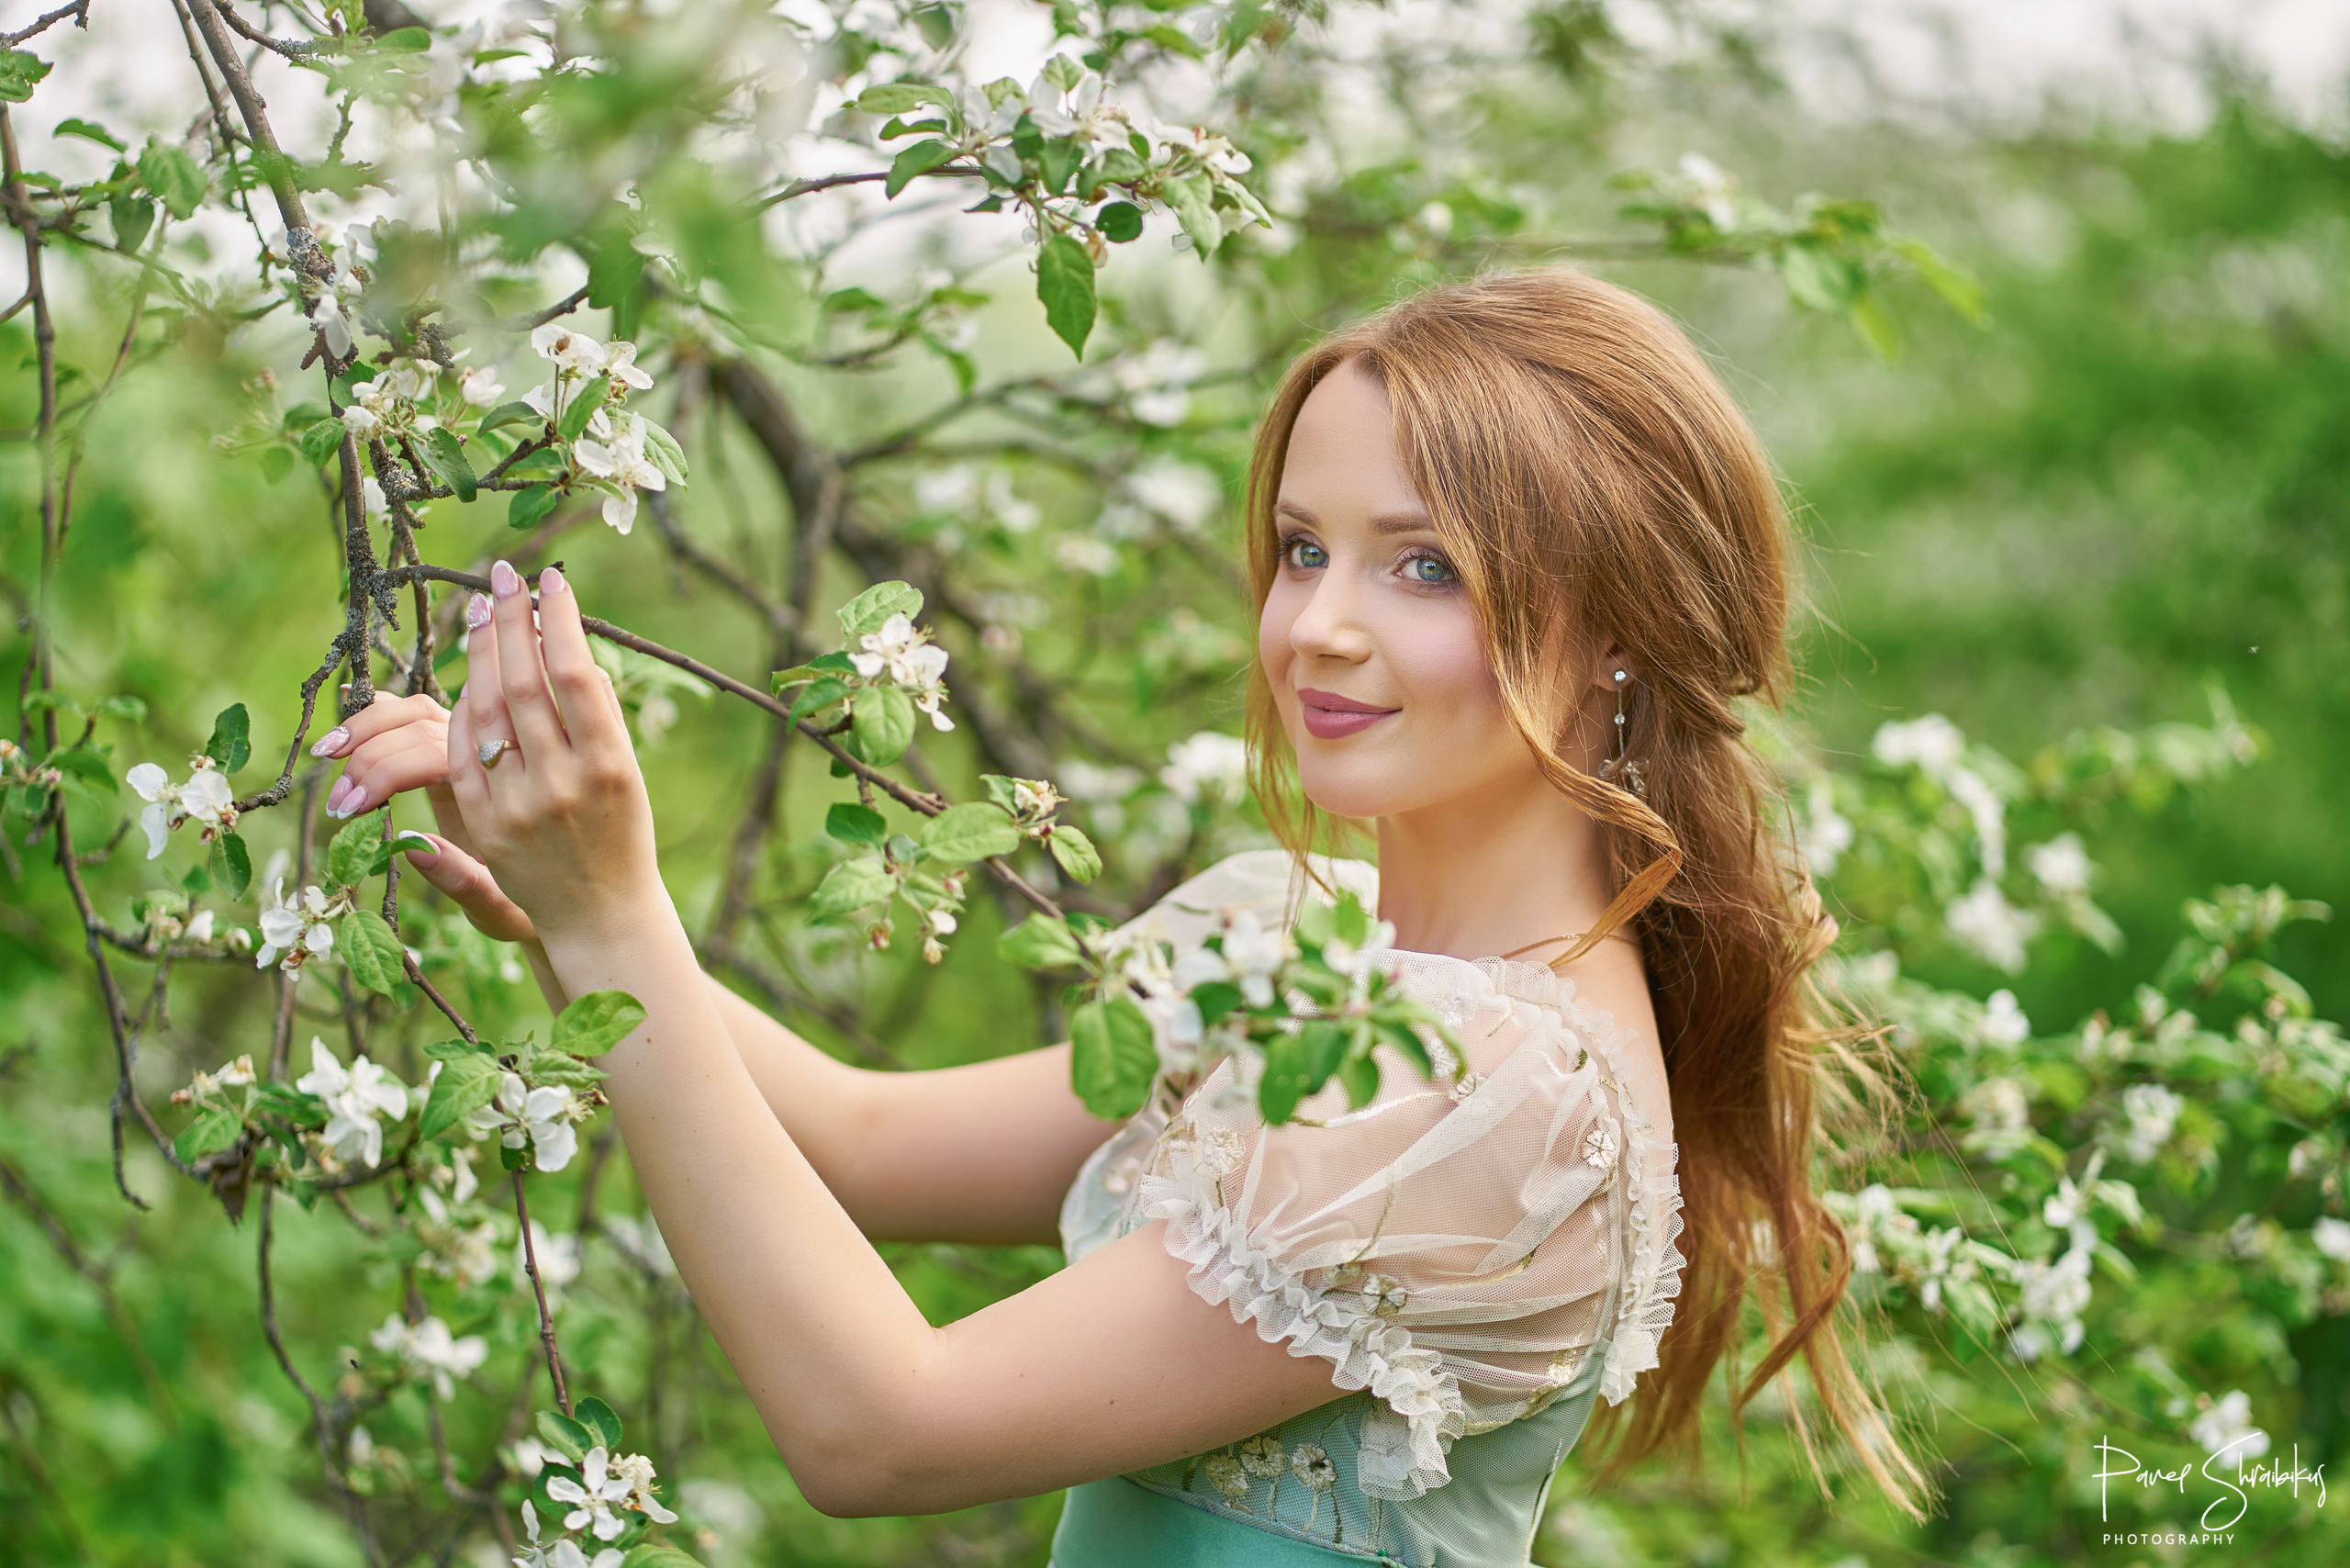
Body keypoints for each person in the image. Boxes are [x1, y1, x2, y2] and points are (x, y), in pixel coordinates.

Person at [317, 267, 1934, 1564]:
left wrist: (616, 932)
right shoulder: (1294, 945)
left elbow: (884, 1432)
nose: (1320, 626)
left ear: (1622, 635)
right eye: (1305, 549)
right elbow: (864, 1142)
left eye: (1424, 568)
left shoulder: (1501, 1098)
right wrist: (577, 913)